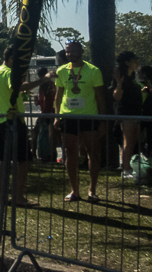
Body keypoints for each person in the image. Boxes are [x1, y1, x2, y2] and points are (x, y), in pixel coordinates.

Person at [54, 40, 104, 203]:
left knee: (93, 153)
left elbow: (99, 96)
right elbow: (58, 96)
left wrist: (103, 119)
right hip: (68, 117)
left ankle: (92, 190)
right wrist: (57, 116)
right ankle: (74, 191)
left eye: (73, 51)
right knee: (70, 153)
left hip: (89, 116)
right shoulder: (61, 71)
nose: (70, 54)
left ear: (81, 51)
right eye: (67, 51)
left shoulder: (93, 71)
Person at [0, 46, 39, 208]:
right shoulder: (8, 72)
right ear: (11, 59)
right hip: (13, 120)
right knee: (23, 160)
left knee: (3, 160)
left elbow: (6, 92)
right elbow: (19, 87)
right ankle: (18, 197)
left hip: (0, 120)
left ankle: (1, 197)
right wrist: (44, 79)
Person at [112, 51, 142, 179]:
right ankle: (125, 169)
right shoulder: (121, 77)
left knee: (133, 141)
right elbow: (117, 96)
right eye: (134, 60)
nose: (137, 63)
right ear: (127, 62)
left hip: (136, 112)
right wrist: (119, 83)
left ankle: (128, 166)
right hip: (126, 112)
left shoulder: (132, 76)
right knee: (128, 141)